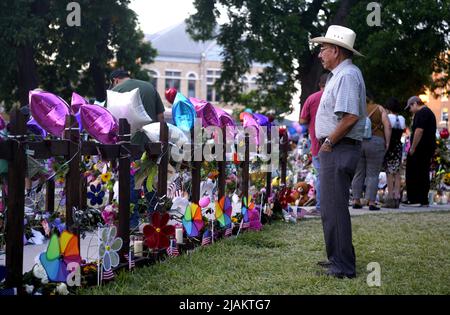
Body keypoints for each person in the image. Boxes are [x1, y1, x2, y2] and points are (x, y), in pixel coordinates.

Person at [311, 25, 366, 279]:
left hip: (338, 148)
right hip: (336, 147)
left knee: (335, 208)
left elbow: (351, 116)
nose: (320, 53)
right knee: (330, 208)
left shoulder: (347, 75)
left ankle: (343, 266)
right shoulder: (340, 75)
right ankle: (337, 259)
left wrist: (329, 141)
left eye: (323, 49)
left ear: (336, 50)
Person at [351, 94, 392, 211]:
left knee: (358, 173)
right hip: (376, 142)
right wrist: (387, 142)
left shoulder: (356, 109)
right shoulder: (379, 108)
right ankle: (371, 202)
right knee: (373, 174)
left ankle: (356, 200)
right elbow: (388, 125)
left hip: (358, 142)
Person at [109, 69, 165, 145]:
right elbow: (161, 117)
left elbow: (108, 120)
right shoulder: (150, 87)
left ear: (115, 80)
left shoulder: (114, 91)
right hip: (152, 142)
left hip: (127, 144)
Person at [300, 73, 328, 215]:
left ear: (319, 85)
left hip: (318, 144)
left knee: (321, 177)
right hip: (336, 143)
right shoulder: (335, 97)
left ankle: (320, 207)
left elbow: (303, 120)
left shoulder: (312, 98)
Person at [403, 96, 437, 207]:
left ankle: (414, 198)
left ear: (415, 104)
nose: (410, 110)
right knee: (423, 172)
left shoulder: (421, 113)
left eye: (410, 107)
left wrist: (412, 148)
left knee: (414, 172)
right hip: (427, 147)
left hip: (420, 148)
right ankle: (423, 199)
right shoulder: (429, 112)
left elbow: (419, 130)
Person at [383, 97, 406, 208]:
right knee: (397, 172)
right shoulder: (402, 118)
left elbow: (387, 129)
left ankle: (390, 197)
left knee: (389, 171)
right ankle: (397, 195)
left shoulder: (388, 117)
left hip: (390, 146)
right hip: (398, 146)